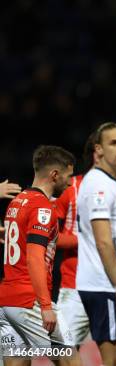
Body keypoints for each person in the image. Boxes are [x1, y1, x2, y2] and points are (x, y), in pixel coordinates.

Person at [55, 132, 116, 351]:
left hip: (111, 288)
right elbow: (49, 237)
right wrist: (84, 240)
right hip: (73, 287)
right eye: (113, 143)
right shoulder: (70, 188)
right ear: (97, 152)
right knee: (63, 352)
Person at [0, 145, 80, 365]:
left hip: (7, 303)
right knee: (71, 360)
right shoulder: (43, 208)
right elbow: (34, 257)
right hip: (30, 301)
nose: (71, 182)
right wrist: (45, 306)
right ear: (55, 174)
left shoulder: (17, 202)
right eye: (69, 176)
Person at [76, 122, 116, 366]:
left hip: (106, 283)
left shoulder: (111, 184)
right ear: (98, 150)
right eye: (114, 143)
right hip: (103, 284)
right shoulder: (99, 185)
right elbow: (103, 241)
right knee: (112, 358)